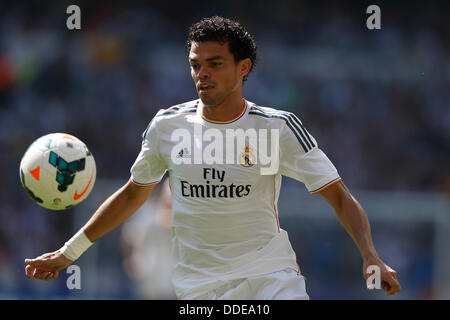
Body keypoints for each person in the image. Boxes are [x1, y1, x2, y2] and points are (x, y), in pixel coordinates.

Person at [24, 16, 401, 299]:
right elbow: (133, 194)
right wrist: (69, 252)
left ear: (244, 68)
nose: (202, 73)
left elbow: (338, 195)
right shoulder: (166, 126)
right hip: (199, 289)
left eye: (215, 63)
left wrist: (370, 255)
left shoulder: (277, 127)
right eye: (195, 64)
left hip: (269, 279)